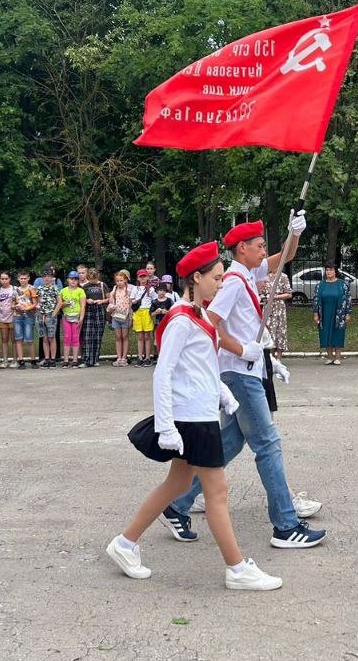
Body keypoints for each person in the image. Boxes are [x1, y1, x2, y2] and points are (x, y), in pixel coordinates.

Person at [107, 241, 282, 591]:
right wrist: (165, 425)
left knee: (179, 484)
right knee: (217, 491)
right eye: (216, 278)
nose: (221, 283)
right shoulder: (180, 319)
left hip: (201, 414)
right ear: (196, 278)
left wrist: (224, 395)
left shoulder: (200, 318)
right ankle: (236, 568)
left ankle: (125, 544)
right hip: (190, 420)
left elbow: (202, 367)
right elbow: (163, 372)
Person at [162, 214, 326, 551]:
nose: (264, 250)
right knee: (268, 444)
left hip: (248, 368)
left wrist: (294, 233)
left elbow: (286, 258)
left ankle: (177, 505)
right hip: (238, 372)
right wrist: (243, 350)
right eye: (260, 245)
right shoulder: (234, 280)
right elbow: (211, 321)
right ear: (243, 249)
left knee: (229, 444)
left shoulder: (247, 273)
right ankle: (285, 525)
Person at [313, 264, 353, 365]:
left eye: (331, 270)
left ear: (335, 271)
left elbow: (348, 299)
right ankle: (330, 357)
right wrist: (315, 313)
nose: (328, 272)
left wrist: (348, 313)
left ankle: (338, 357)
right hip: (324, 313)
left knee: (338, 333)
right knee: (325, 333)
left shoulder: (342, 284)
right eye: (327, 270)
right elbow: (316, 300)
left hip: (339, 313)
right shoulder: (320, 285)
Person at [259, 269, 291, 357]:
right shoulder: (264, 277)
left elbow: (289, 294)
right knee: (269, 330)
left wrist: (275, 297)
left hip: (279, 307)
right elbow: (260, 292)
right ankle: (270, 356)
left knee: (280, 330)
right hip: (267, 307)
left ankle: (279, 357)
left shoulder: (283, 276)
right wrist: (264, 297)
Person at [80, 268, 107, 367]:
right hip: (88, 310)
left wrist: (101, 301)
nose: (92, 281)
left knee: (98, 335)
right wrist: (87, 300)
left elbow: (109, 298)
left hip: (99, 309)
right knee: (87, 335)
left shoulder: (102, 285)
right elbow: (81, 299)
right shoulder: (85, 286)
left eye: (94, 279)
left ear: (97, 277)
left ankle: (95, 359)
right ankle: (87, 360)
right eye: (90, 279)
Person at [58, 271, 85, 367]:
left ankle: (75, 360)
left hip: (76, 317)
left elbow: (82, 306)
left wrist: (81, 318)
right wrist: (64, 304)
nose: (73, 281)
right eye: (71, 279)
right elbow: (59, 305)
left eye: (75, 279)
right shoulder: (63, 291)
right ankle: (65, 360)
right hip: (66, 317)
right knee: (67, 337)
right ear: (68, 280)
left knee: (75, 338)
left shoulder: (80, 291)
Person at [35, 265, 61, 368]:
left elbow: (59, 302)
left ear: (52, 277)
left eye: (49, 276)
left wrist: (54, 313)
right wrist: (39, 311)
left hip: (51, 315)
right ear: (43, 278)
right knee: (44, 338)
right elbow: (37, 301)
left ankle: (53, 359)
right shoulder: (39, 289)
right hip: (41, 315)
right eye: (45, 276)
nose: (47, 278)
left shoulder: (55, 288)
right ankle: (46, 358)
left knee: (52, 337)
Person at [108, 269, 133, 366]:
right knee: (118, 337)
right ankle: (118, 357)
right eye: (117, 281)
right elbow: (111, 303)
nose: (119, 282)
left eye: (121, 280)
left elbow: (130, 305)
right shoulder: (113, 290)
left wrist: (131, 317)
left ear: (125, 280)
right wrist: (111, 307)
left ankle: (124, 358)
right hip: (116, 316)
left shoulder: (129, 291)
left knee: (125, 337)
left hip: (125, 317)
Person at [13, 271, 38, 368]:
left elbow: (35, 303)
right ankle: (21, 360)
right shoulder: (15, 290)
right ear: (18, 279)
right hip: (18, 316)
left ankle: (33, 360)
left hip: (29, 316)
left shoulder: (32, 288)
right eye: (21, 278)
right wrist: (15, 307)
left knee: (29, 339)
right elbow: (13, 303)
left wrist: (26, 308)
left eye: (25, 278)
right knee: (18, 339)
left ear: (28, 279)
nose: (23, 280)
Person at [130, 270, 155, 365]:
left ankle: (148, 357)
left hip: (146, 312)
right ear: (138, 278)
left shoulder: (151, 289)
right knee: (140, 336)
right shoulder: (135, 289)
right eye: (141, 277)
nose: (143, 278)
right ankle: (140, 356)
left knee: (147, 336)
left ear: (148, 277)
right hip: (137, 312)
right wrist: (134, 301)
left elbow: (155, 300)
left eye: (144, 276)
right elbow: (131, 300)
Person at [0, 272, 17, 368]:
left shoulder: (14, 289)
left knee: (14, 339)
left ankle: (15, 360)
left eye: (6, 278)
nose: (4, 280)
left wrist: (14, 306)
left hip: (13, 317)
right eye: (2, 279)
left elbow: (20, 301)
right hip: (2, 317)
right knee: (4, 339)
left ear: (9, 279)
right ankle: (5, 360)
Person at [150, 276, 176, 349]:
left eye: (163, 290)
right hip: (157, 323)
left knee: (167, 339)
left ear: (165, 291)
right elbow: (151, 314)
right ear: (157, 291)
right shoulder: (154, 301)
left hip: (167, 323)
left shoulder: (169, 300)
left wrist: (167, 312)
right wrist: (156, 312)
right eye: (160, 290)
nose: (162, 292)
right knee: (157, 339)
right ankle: (157, 355)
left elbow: (174, 312)